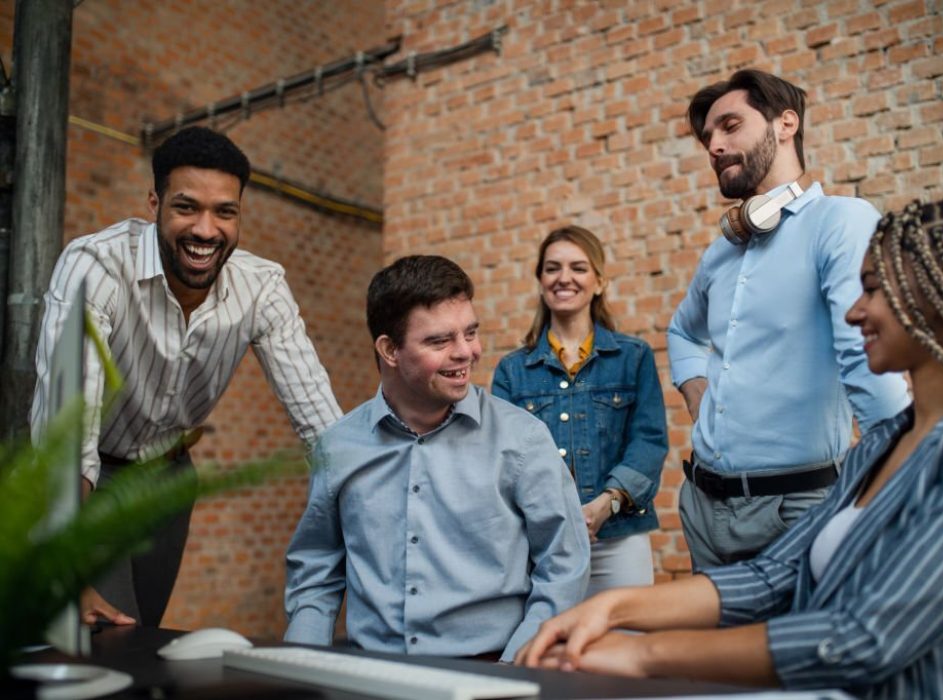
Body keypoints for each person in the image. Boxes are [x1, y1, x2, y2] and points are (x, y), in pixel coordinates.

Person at [516, 196, 943, 698]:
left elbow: (861, 637)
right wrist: (614, 609)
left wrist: (643, 653)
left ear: (936, 299)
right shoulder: (880, 443)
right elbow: (772, 574)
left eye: (872, 290)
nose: (854, 311)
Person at [30, 126, 343, 627]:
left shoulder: (261, 288)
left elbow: (323, 428)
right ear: (154, 202)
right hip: (95, 476)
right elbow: (68, 429)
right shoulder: (96, 267)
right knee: (106, 632)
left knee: (144, 633)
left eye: (225, 212)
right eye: (186, 207)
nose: (205, 229)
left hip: (170, 475)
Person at [284, 255, 589, 662]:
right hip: (372, 671)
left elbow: (563, 569)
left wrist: (513, 671)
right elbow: (317, 570)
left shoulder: (523, 440)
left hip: (494, 670)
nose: (467, 353)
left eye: (471, 332)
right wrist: (298, 665)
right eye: (440, 341)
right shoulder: (339, 447)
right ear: (390, 349)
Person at [668, 69, 910, 569]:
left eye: (730, 126)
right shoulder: (719, 254)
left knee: (792, 648)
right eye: (707, 137)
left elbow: (865, 360)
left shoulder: (841, 222)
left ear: (786, 123)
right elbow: (682, 333)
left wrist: (904, 487)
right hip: (702, 507)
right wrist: (699, 399)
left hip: (797, 509)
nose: (714, 145)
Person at [492, 226, 668, 598]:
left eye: (578, 267)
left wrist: (607, 503)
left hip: (618, 539)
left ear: (599, 282)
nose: (564, 278)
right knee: (545, 651)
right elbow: (504, 459)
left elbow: (649, 441)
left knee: (623, 645)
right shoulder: (512, 370)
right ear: (540, 281)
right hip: (542, 544)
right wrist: (553, 516)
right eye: (552, 268)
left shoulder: (633, 357)